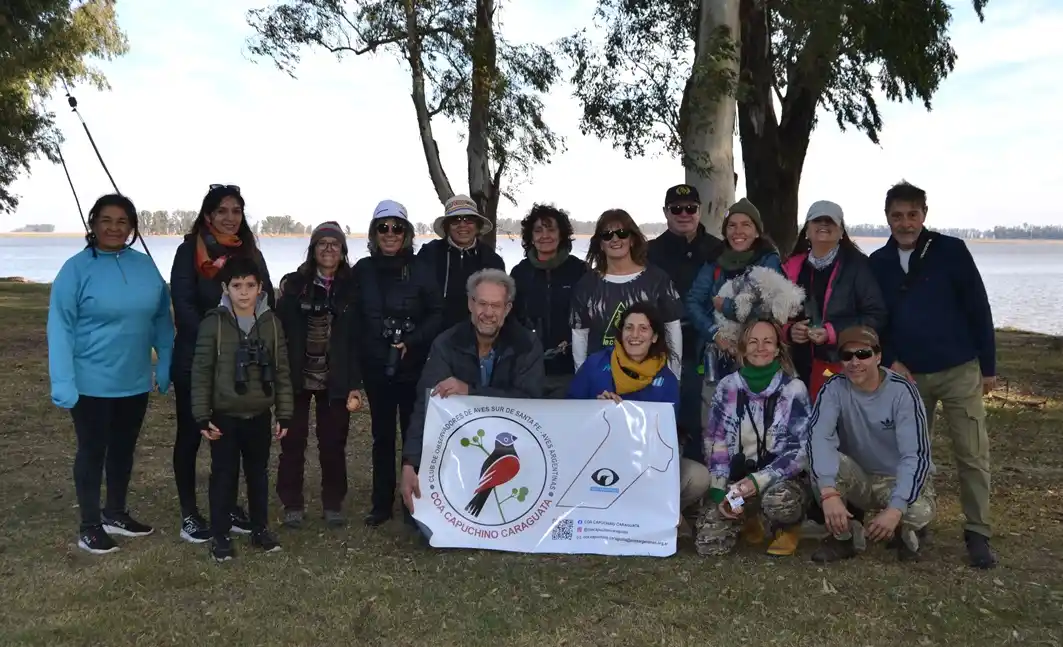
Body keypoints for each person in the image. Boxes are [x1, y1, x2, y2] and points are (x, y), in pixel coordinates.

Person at [868, 181, 997, 569]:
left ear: (924, 215)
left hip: (959, 369)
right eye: (897, 216)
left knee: (971, 453)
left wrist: (988, 367)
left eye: (912, 215)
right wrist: (890, 359)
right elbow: (876, 321)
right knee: (911, 454)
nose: (905, 223)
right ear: (887, 217)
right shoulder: (878, 262)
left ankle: (978, 532)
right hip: (908, 376)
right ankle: (915, 521)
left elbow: (978, 307)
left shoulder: (950, 251)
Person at [47, 194, 175, 555]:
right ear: (93, 224)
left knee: (123, 449)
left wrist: (164, 359)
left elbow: (160, 317)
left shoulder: (144, 266)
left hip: (133, 379)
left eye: (122, 221)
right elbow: (60, 327)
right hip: (90, 381)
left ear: (132, 227)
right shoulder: (76, 269)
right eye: (106, 220)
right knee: (92, 451)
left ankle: (115, 513)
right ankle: (90, 526)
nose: (114, 227)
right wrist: (63, 380)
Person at [170, 184, 275, 542]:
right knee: (192, 434)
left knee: (228, 438)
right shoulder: (189, 252)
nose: (230, 218)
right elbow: (182, 304)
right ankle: (189, 514)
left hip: (242, 365)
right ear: (208, 215)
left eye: (237, 211)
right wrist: (216, 339)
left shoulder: (249, 252)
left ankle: (227, 507)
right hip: (196, 359)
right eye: (222, 211)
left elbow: (267, 297)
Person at [399, 269, 545, 519]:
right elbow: (426, 406)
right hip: (461, 445)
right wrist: (410, 463)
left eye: (496, 306)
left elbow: (530, 401)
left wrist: (471, 391)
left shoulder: (527, 345)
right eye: (482, 304)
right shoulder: (446, 343)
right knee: (425, 523)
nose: (488, 313)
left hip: (513, 446)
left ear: (508, 308)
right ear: (470, 303)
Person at [567, 302, 710, 526]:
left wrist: (626, 416)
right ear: (620, 332)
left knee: (698, 477)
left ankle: (660, 513)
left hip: (645, 466)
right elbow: (568, 412)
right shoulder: (595, 364)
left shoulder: (667, 380)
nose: (635, 335)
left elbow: (666, 438)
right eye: (628, 327)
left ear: (654, 337)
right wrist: (596, 409)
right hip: (596, 461)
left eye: (643, 328)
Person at [190, 257, 293, 562]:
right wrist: (201, 415)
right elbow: (201, 371)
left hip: (259, 414)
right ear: (226, 288)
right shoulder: (214, 323)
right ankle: (220, 534)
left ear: (261, 288)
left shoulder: (271, 323)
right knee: (223, 475)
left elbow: (282, 371)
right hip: (224, 416)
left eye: (250, 285)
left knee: (258, 475)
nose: (244, 292)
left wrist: (284, 412)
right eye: (237, 286)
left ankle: (259, 528)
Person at [806, 325, 935, 564]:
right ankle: (843, 538)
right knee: (818, 458)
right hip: (860, 477)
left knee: (917, 511)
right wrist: (828, 493)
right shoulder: (832, 388)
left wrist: (896, 508)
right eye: (847, 356)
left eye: (863, 354)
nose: (855, 362)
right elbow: (819, 438)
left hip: (895, 478)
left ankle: (905, 529)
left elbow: (915, 456)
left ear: (878, 356)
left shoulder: (903, 391)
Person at [352, 200, 444, 526]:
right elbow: (351, 315)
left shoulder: (421, 269)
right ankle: (381, 503)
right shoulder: (362, 270)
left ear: (406, 233)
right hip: (376, 365)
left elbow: (437, 313)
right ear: (374, 233)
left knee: (412, 433)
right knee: (381, 436)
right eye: (383, 227)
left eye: (397, 227)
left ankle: (411, 501)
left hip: (412, 364)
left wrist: (413, 339)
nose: (390, 234)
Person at [695, 318, 811, 557]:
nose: (760, 347)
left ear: (778, 349)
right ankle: (747, 518)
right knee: (709, 543)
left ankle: (787, 528)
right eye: (753, 342)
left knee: (778, 500)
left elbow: (800, 452)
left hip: (779, 482)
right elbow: (715, 442)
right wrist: (720, 492)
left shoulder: (794, 389)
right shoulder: (727, 386)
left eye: (768, 342)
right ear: (742, 348)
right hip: (737, 484)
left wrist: (757, 481)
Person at [275, 222, 363, 529]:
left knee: (333, 442)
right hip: (298, 375)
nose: (328, 249)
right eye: (322, 243)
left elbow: (356, 340)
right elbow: (280, 331)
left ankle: (333, 502)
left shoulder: (352, 288)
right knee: (292, 441)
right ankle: (292, 503)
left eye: (335, 244)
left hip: (335, 376)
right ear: (313, 250)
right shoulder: (294, 285)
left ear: (343, 251)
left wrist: (354, 383)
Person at [686, 198, 783, 426]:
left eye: (746, 225)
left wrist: (727, 307)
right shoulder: (714, 262)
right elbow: (693, 301)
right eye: (732, 225)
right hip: (718, 351)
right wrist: (715, 335)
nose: (738, 231)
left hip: (757, 351)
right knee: (717, 416)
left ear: (757, 231)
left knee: (756, 419)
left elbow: (769, 307)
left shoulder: (769, 262)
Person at [647, 184, 725, 468]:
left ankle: (702, 477)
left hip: (708, 342)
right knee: (664, 412)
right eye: (676, 209)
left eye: (690, 208)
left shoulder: (718, 249)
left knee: (703, 416)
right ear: (665, 212)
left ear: (700, 211)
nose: (684, 214)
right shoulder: (650, 251)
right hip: (661, 344)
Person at [782, 200, 886, 399]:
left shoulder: (858, 267)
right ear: (807, 230)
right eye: (817, 220)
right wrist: (789, 331)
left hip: (843, 368)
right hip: (796, 369)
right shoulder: (790, 267)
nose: (823, 225)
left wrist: (832, 332)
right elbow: (773, 316)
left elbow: (876, 315)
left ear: (841, 232)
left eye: (830, 221)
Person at [571, 209, 684, 380]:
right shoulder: (586, 284)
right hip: (601, 380)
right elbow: (579, 335)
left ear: (632, 240)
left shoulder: (657, 279)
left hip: (650, 377)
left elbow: (672, 328)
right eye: (607, 235)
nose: (615, 239)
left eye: (622, 233)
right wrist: (582, 379)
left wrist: (674, 376)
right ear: (600, 244)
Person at [510, 204, 588, 398]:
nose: (545, 235)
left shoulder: (580, 271)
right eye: (538, 230)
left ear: (561, 234)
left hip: (569, 368)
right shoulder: (519, 273)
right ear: (531, 237)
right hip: (528, 368)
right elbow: (511, 318)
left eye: (551, 229)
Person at [417, 194, 505, 331]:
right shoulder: (428, 254)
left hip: (477, 339)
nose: (462, 225)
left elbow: (500, 305)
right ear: (447, 226)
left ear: (477, 226)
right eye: (455, 220)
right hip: (433, 339)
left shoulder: (492, 260)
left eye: (469, 220)